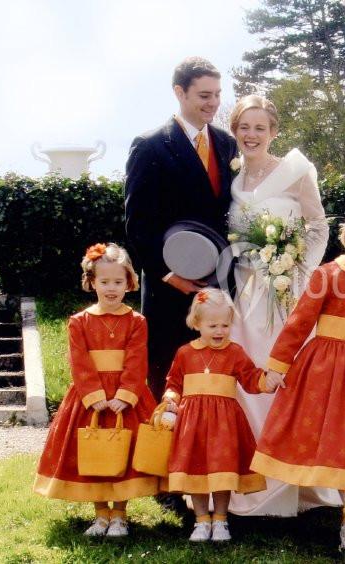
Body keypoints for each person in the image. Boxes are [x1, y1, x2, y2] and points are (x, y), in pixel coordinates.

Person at [250, 198, 345, 551]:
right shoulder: (326, 275)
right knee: (331, 435)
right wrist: (277, 367)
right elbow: (299, 322)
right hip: (322, 370)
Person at [224, 95, 332, 516]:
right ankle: (249, 483)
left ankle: (294, 484)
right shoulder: (233, 177)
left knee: (283, 378)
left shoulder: (296, 171)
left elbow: (318, 226)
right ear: (235, 131)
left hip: (284, 294)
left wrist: (300, 274)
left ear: (274, 132)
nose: (251, 136)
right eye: (244, 128)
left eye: (260, 128)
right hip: (243, 291)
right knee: (245, 379)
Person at [125, 56, 238, 399]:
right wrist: (167, 275)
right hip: (169, 288)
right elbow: (137, 224)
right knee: (168, 381)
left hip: (217, 283)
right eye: (205, 95)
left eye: (217, 94)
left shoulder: (227, 143)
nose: (214, 103)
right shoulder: (150, 145)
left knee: (213, 381)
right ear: (179, 92)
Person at [33, 243, 158, 538]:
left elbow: (137, 360)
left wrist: (126, 395)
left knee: (126, 454)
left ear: (129, 282)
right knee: (93, 453)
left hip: (125, 398)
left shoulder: (137, 321)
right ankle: (101, 513)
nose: (111, 288)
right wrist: (95, 396)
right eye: (104, 282)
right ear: (91, 283)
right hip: (92, 399)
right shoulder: (79, 322)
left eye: (118, 282)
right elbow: (79, 361)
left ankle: (120, 514)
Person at [162, 288, 273, 542]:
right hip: (193, 424)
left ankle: (221, 519)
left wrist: (268, 381)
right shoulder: (185, 353)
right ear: (197, 323)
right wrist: (170, 398)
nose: (220, 331)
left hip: (225, 424)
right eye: (213, 325)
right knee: (197, 472)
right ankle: (201, 520)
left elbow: (250, 378)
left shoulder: (235, 352)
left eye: (225, 325)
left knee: (223, 470)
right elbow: (174, 382)